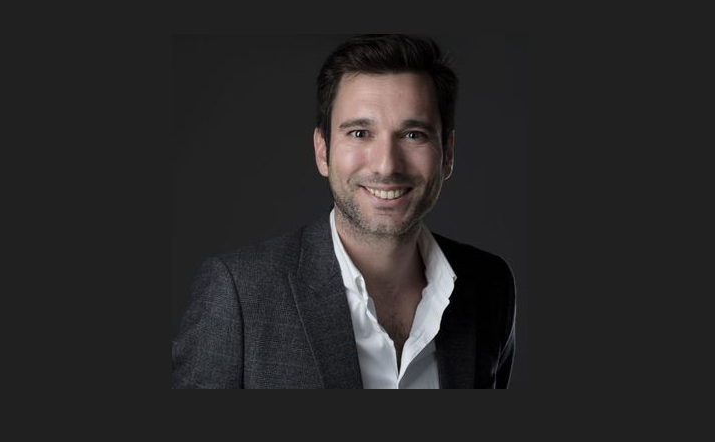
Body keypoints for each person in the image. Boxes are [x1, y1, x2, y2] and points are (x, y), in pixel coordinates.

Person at [172, 34, 516, 389]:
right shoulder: (239, 294)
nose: (386, 165)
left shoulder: (491, 285)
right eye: (360, 133)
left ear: (448, 153)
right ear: (322, 151)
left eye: (413, 135)